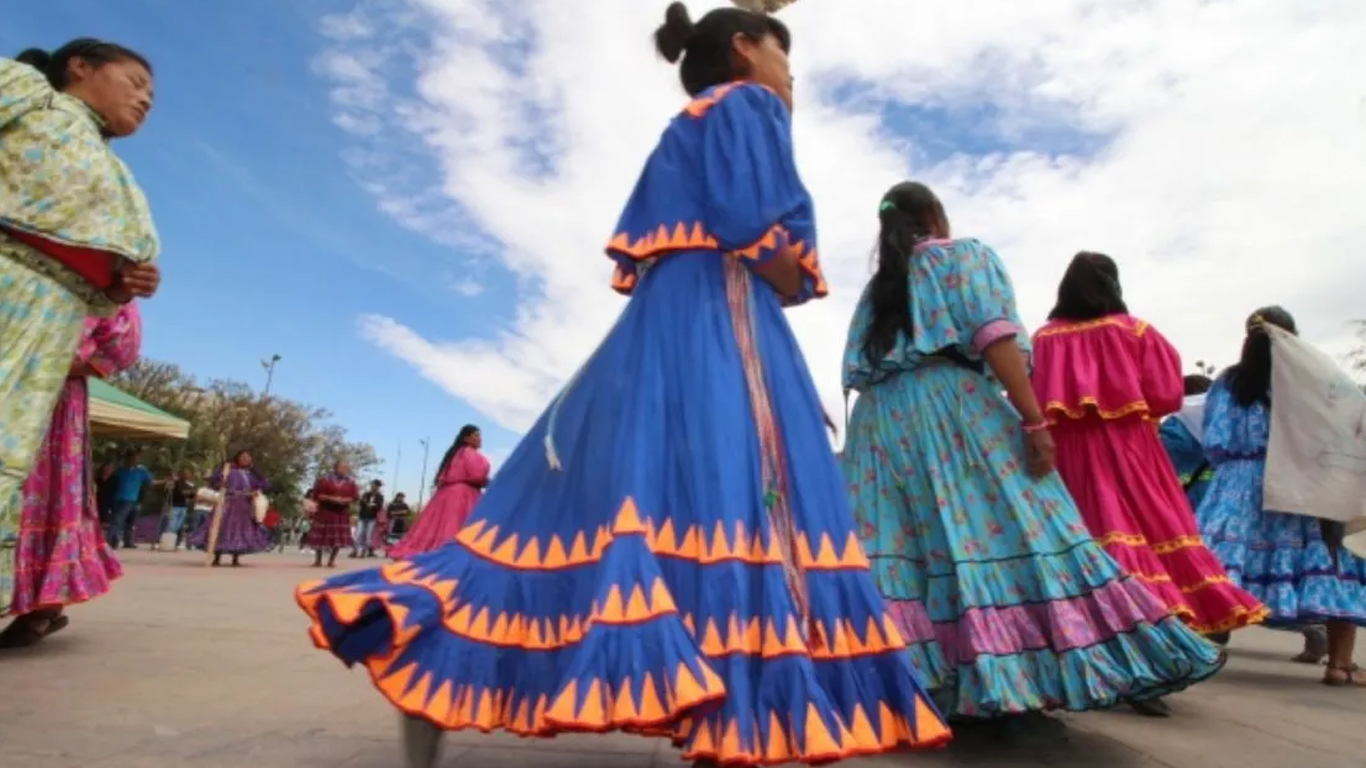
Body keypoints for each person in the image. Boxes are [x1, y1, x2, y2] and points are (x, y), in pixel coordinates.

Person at [296, 6, 950, 767]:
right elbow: (750, 223)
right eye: (786, 62)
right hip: (720, 314)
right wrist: (789, 269)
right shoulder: (749, 104)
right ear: (745, 50)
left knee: (584, 510)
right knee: (734, 498)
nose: (790, 82)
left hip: (658, 323)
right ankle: (742, 708)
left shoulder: (689, 119)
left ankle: (431, 651)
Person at [839, 181, 1225, 726]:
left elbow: (857, 369)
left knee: (910, 544)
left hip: (881, 422)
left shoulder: (879, 289)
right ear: (934, 214)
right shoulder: (962, 256)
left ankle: (913, 685)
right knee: (1021, 524)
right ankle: (1008, 681)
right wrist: (1033, 418)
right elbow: (994, 337)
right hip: (951, 409)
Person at [1030, 252, 1267, 650]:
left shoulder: (1044, 339)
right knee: (1147, 530)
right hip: (1130, 450)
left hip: (1064, 456)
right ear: (1113, 284)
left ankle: (1088, 636)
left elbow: (1030, 400)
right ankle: (1155, 630)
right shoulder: (1136, 331)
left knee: (1082, 535)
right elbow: (1167, 396)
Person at [0, 41, 161, 599]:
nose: (145, 99)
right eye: (136, 81)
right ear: (80, 66)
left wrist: (119, 285)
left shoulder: (114, 172)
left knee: (6, 459)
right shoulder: (27, 95)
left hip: (51, 318)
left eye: (152, 95)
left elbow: (98, 264)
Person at [1194, 307, 1366, 686]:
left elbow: (1215, 439)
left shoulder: (1228, 383)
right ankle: (1340, 665)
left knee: (1214, 568)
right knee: (1335, 563)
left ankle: (1192, 651)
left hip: (1236, 485)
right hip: (1295, 484)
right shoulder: (1312, 381)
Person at [0, 303, 140, 643]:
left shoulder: (104, 268)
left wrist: (54, 358)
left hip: (48, 391)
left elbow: (123, 339)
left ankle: (45, 605)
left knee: (38, 488)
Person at [386, 426, 489, 560]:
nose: (479, 438)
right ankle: (452, 556)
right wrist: (488, 481)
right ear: (466, 438)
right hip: (463, 494)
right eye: (476, 435)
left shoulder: (454, 454)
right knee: (458, 526)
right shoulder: (470, 453)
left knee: (437, 527)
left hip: (446, 494)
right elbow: (477, 475)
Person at [186, 451, 271, 567]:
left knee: (240, 531)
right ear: (237, 458)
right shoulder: (227, 470)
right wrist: (220, 483)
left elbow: (265, 484)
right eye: (243, 457)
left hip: (243, 505)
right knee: (220, 527)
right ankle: (216, 557)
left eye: (248, 458)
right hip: (226, 502)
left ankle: (235, 558)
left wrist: (255, 490)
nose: (246, 459)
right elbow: (214, 481)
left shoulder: (251, 474)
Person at [304, 461, 359, 569]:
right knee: (320, 536)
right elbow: (317, 495)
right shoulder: (325, 480)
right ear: (335, 467)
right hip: (325, 511)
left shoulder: (351, 482)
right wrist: (331, 498)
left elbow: (355, 497)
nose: (344, 470)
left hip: (341, 512)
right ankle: (318, 560)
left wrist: (344, 500)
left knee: (337, 538)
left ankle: (331, 561)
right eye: (341, 467)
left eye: (345, 468)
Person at [107, 448, 152, 549]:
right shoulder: (121, 470)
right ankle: (113, 540)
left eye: (135, 458)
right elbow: (111, 479)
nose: (133, 460)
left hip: (130, 499)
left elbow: (151, 482)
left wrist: (166, 481)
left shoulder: (141, 471)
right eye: (131, 458)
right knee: (116, 519)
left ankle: (116, 540)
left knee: (122, 520)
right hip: (118, 497)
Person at [160, 468, 197, 551]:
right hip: (174, 506)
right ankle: (167, 543)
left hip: (183, 506)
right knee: (172, 524)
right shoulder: (175, 483)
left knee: (179, 525)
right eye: (185, 473)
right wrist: (188, 492)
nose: (187, 475)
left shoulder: (188, 484)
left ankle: (175, 542)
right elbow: (176, 493)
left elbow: (191, 494)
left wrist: (190, 493)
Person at [352, 480, 385, 559]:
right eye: (372, 485)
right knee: (358, 534)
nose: (373, 487)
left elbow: (379, 507)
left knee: (368, 535)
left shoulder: (380, 496)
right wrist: (364, 503)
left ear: (378, 487)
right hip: (362, 517)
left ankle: (363, 551)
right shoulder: (366, 494)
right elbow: (361, 503)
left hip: (372, 518)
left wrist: (372, 505)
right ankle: (355, 551)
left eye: (375, 486)